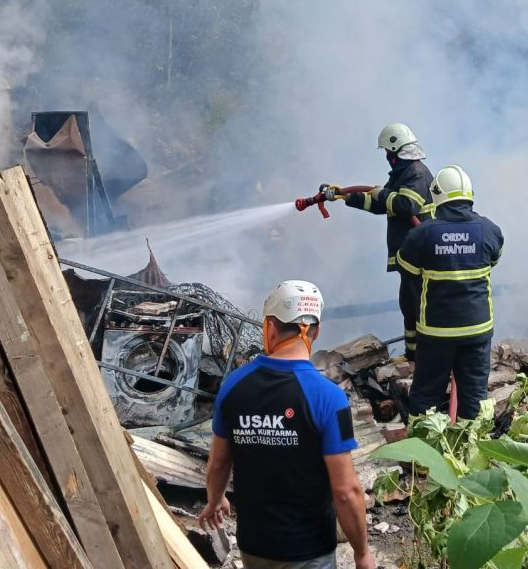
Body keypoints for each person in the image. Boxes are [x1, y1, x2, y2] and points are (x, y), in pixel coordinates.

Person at [200, 280, 375, 569]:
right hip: (309, 551)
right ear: (315, 331)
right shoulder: (330, 398)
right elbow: (345, 491)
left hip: (254, 546)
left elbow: (219, 462)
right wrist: (362, 553)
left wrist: (215, 500)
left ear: (269, 327)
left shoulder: (233, 386)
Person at [396, 165, 504, 420]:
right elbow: (492, 260)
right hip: (477, 331)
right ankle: (470, 452)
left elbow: (407, 269)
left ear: (436, 196)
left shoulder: (422, 234)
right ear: (468, 194)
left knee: (425, 395)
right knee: (474, 396)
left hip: (436, 333)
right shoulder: (490, 230)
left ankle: (423, 455)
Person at [335, 122, 433, 359]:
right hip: (408, 253)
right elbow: (380, 204)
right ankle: (413, 356)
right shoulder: (403, 173)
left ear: (395, 150)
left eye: (388, 153)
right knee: (409, 306)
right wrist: (346, 196)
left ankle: (424, 357)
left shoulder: (417, 173)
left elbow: (407, 205)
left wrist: (384, 193)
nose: (387, 158)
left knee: (418, 307)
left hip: (418, 254)